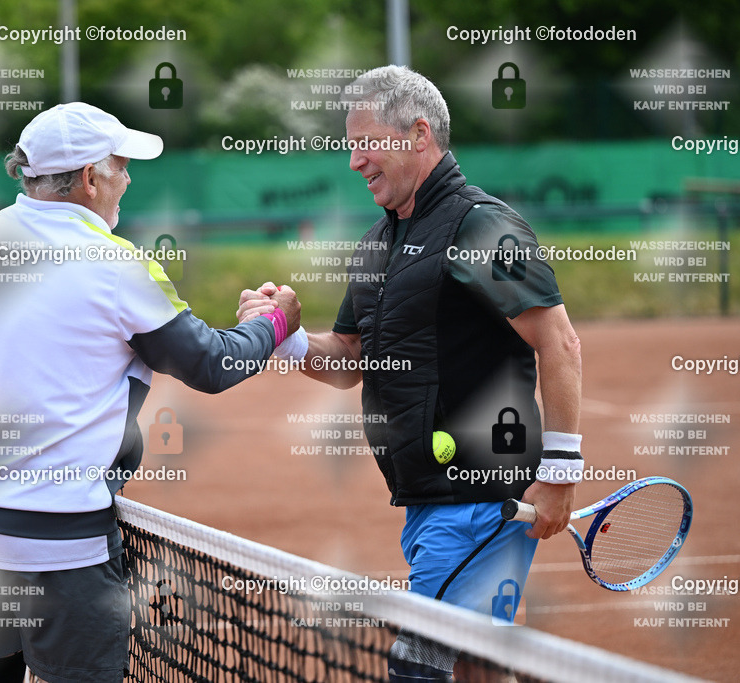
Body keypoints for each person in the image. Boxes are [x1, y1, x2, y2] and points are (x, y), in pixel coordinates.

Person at [0, 102, 299, 683]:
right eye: (120, 166)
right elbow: (213, 364)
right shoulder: (118, 266)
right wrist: (274, 323)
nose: (129, 179)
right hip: (64, 544)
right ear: (90, 179)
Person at [238, 66, 582, 682]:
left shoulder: (483, 226)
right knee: (479, 665)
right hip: (426, 500)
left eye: (365, 141)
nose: (353, 160)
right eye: (350, 143)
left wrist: (558, 470)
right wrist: (283, 335)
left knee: (417, 667)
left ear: (418, 135)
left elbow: (558, 342)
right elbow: (347, 357)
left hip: (483, 497)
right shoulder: (378, 243)